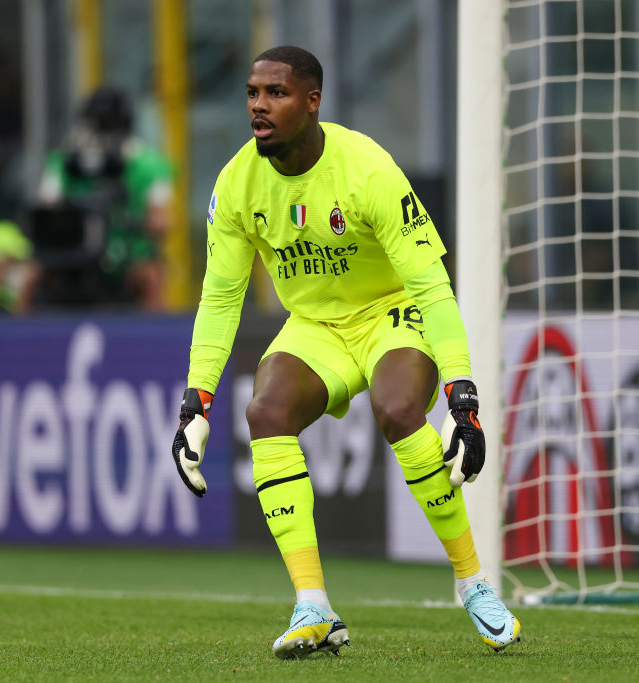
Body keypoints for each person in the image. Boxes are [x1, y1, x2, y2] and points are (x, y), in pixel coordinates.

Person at [171, 46, 520, 659]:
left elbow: (431, 286)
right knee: (265, 412)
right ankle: (314, 606)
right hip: (315, 324)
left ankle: (473, 583)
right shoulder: (235, 184)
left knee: (398, 408)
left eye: (276, 93)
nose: (258, 105)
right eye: (252, 93)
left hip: (389, 312)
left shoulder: (368, 168)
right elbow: (221, 298)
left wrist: (462, 398)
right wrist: (195, 401)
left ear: (312, 102)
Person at [36, 86, 173, 310]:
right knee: (30, 274)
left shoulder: (148, 164)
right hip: (74, 254)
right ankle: (21, 331)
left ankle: (154, 331)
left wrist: (133, 222)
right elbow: (46, 209)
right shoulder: (64, 161)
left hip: (127, 255)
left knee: (152, 275)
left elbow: (162, 220)